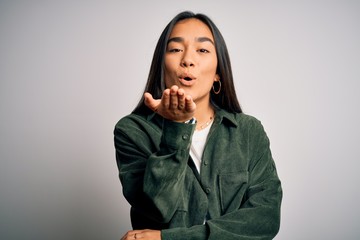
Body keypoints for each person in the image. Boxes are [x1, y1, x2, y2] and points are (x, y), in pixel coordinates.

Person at [114, 11, 282, 240]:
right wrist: (177, 125)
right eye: (175, 49)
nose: (188, 60)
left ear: (218, 74)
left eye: (202, 50)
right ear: (161, 66)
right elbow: (157, 210)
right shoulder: (133, 130)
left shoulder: (249, 132)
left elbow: (265, 220)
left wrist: (169, 238)